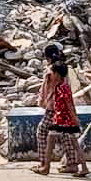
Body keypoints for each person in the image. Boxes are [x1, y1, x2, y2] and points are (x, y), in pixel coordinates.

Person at [33, 58, 88, 177]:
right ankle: (83, 167)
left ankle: (46, 167)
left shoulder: (61, 88)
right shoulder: (63, 86)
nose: (49, 75)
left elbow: (69, 104)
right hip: (64, 119)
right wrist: (74, 119)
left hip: (63, 120)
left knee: (50, 138)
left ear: (57, 75)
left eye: (52, 73)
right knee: (72, 143)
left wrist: (74, 119)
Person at [32, 43, 64, 172]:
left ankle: (44, 163)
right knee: (67, 135)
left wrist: (42, 101)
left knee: (42, 132)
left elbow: (48, 89)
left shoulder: (51, 71)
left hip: (53, 106)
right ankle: (73, 162)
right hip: (62, 105)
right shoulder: (63, 67)